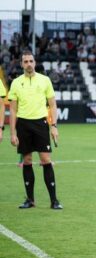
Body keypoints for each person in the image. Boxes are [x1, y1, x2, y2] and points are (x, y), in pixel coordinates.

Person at [8, 50, 63, 209]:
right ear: (21, 64)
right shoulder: (16, 83)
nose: (29, 64)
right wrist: (12, 133)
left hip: (41, 124)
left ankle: (54, 201)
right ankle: (30, 200)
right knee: (27, 161)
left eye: (31, 61)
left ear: (35, 62)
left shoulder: (45, 80)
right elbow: (12, 110)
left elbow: (52, 105)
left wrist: (53, 126)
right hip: (23, 124)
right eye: (25, 62)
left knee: (46, 160)